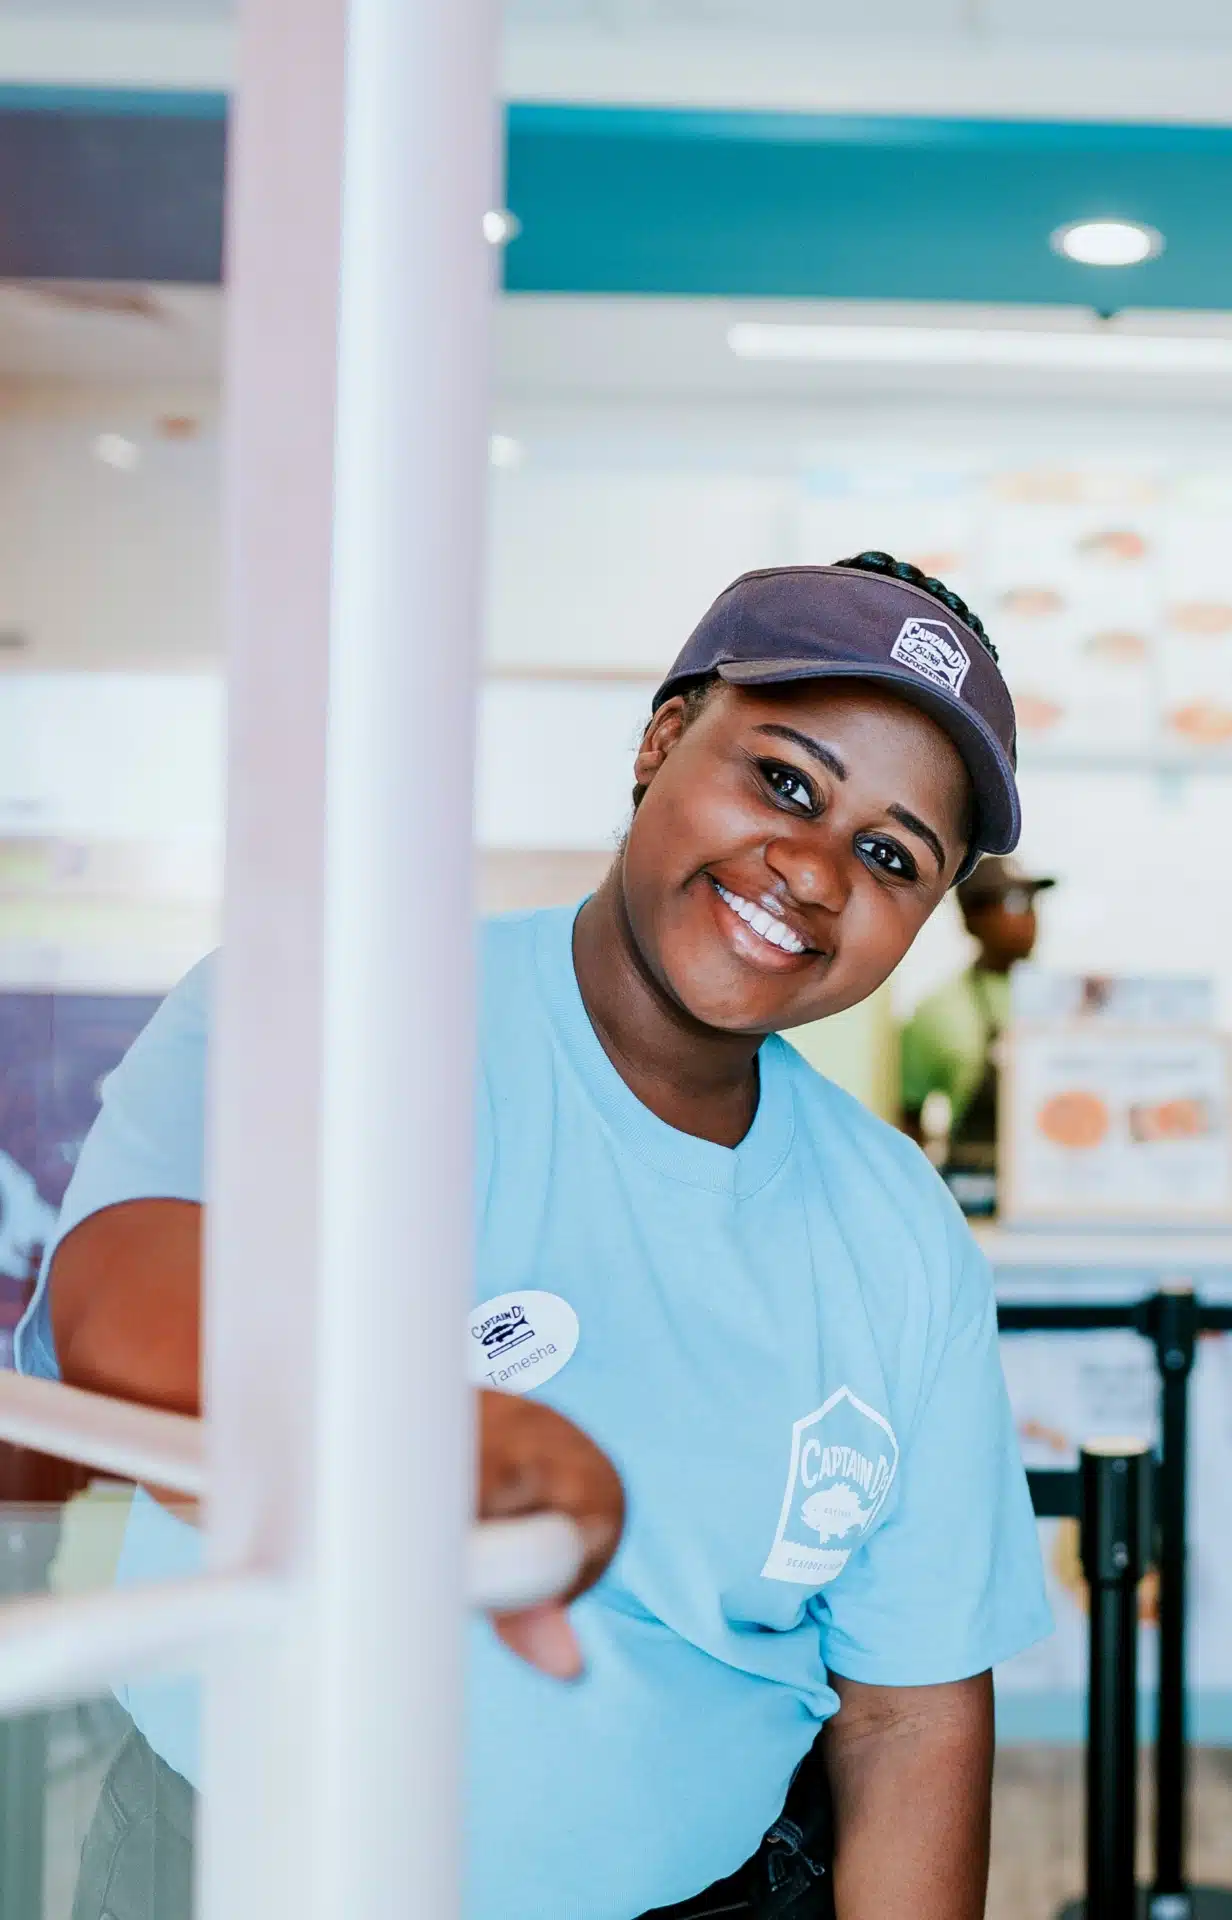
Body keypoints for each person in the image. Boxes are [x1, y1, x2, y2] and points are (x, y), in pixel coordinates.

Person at [18, 554, 1053, 1920]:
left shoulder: (898, 1232)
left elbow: (906, 1722)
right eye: (784, 781)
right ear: (663, 739)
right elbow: (115, 1302)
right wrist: (430, 1434)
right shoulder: (341, 1008)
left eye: (888, 855)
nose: (808, 869)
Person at [898, 854, 1055, 1172]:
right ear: (971, 919)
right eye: (1014, 901)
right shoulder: (936, 1012)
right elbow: (908, 1120)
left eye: (1032, 901)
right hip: (975, 1195)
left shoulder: (1064, 1006)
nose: (1029, 917)